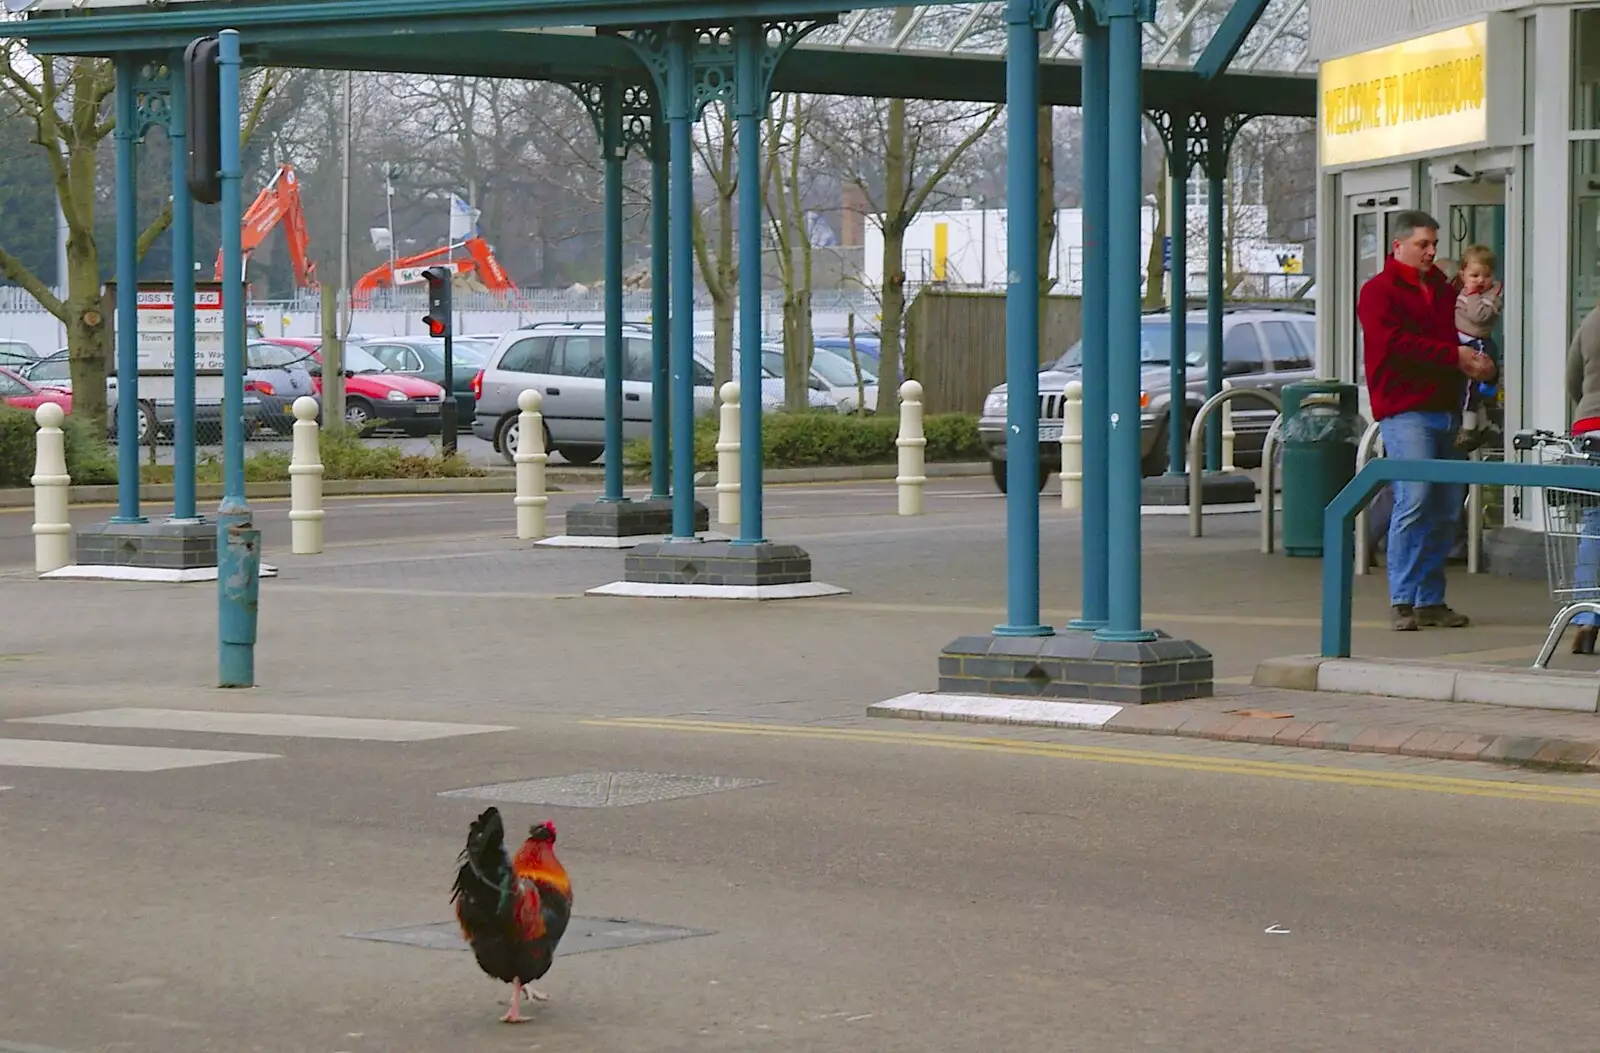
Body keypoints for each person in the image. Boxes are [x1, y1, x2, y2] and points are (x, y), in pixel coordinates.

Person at [1357, 210, 1497, 632]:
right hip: (1405, 409)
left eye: (1434, 244)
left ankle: (1429, 599)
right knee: (1415, 497)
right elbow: (1394, 344)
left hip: (1445, 407)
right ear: (1398, 245)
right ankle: (1403, 598)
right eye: (1423, 244)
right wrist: (1454, 357)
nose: (1431, 251)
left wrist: (1479, 364)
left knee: (1445, 505)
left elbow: (1456, 336)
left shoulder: (1440, 288)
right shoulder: (1379, 291)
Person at [1565, 302, 1600, 654]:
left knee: (1594, 524)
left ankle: (1586, 619)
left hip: (1590, 428)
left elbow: (1572, 378)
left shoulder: (1592, 319)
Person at [1452, 244, 1503, 451]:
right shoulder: (1460, 292)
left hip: (1479, 344)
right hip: (1462, 343)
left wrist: (1472, 294)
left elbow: (1478, 316)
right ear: (1462, 274)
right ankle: (1482, 425)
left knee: (1472, 387)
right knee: (1464, 388)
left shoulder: (1491, 297)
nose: (1480, 280)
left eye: (1486, 275)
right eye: (1474, 275)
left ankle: (1469, 428)